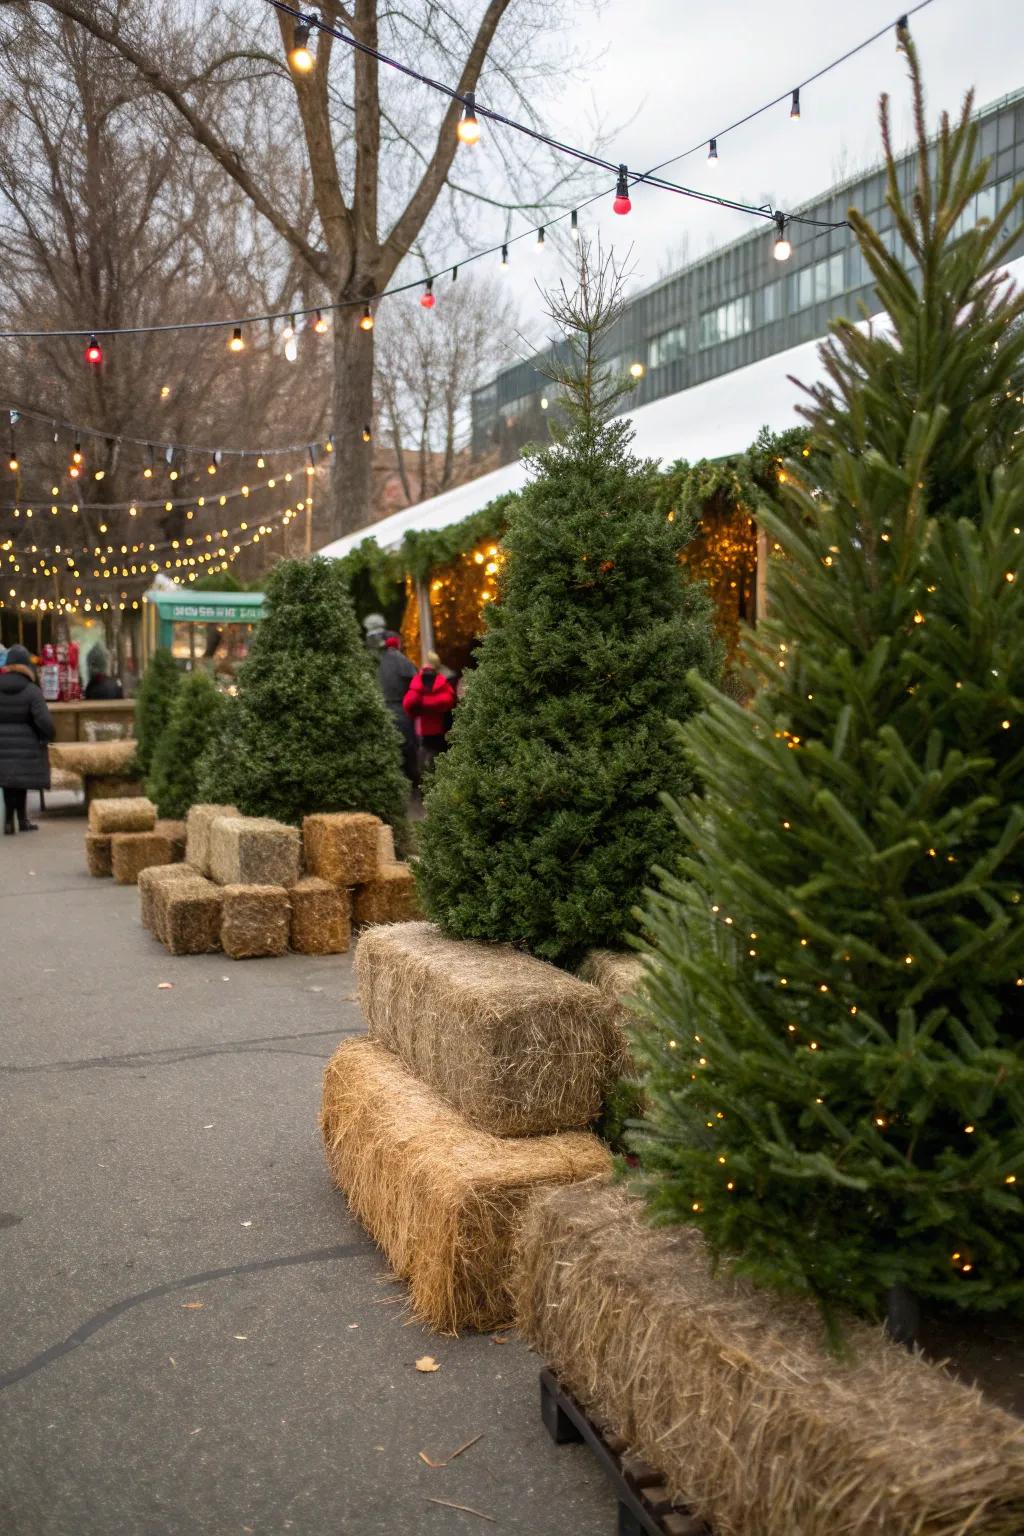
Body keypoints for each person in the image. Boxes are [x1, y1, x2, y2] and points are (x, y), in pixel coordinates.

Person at [0, 644, 55, 834]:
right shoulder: (32, 690)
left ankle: (8, 822)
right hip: (27, 745)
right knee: (20, 782)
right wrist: (47, 735)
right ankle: (23, 820)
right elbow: (44, 720)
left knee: (8, 783)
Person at [403, 651, 456, 780]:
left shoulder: (417, 682)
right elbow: (449, 701)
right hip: (441, 728)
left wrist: (416, 712)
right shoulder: (444, 681)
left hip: (424, 730)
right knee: (441, 757)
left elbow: (409, 704)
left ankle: (427, 782)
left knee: (425, 759)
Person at [377, 635, 418, 783]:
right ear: (398, 645)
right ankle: (410, 778)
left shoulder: (378, 661)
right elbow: (416, 679)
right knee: (407, 745)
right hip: (400, 708)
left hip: (381, 708)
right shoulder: (402, 660)